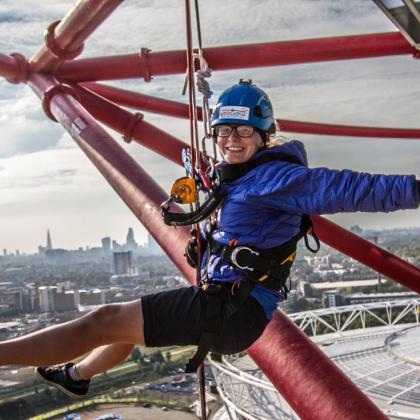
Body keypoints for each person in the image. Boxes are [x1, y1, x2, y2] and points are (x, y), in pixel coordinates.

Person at [1, 79, 419, 400]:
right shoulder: (238, 179)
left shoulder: (279, 179)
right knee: (124, 328)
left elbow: (357, 188)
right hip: (229, 303)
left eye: (243, 132)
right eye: (224, 132)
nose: (231, 141)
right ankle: (76, 377)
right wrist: (212, 243)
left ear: (263, 136)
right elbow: (243, 227)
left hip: (230, 311)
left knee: (105, 319)